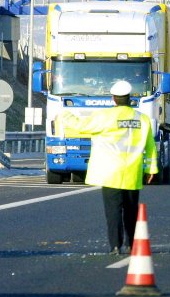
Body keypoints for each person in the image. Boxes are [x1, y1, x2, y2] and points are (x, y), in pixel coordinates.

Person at [58, 80, 157, 255]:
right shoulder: (142, 119)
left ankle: (116, 246)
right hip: (132, 172)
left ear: (114, 99)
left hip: (110, 173)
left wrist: (63, 113)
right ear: (130, 98)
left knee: (113, 212)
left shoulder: (105, 117)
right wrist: (151, 169)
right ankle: (132, 244)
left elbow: (81, 126)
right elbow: (150, 147)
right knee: (131, 212)